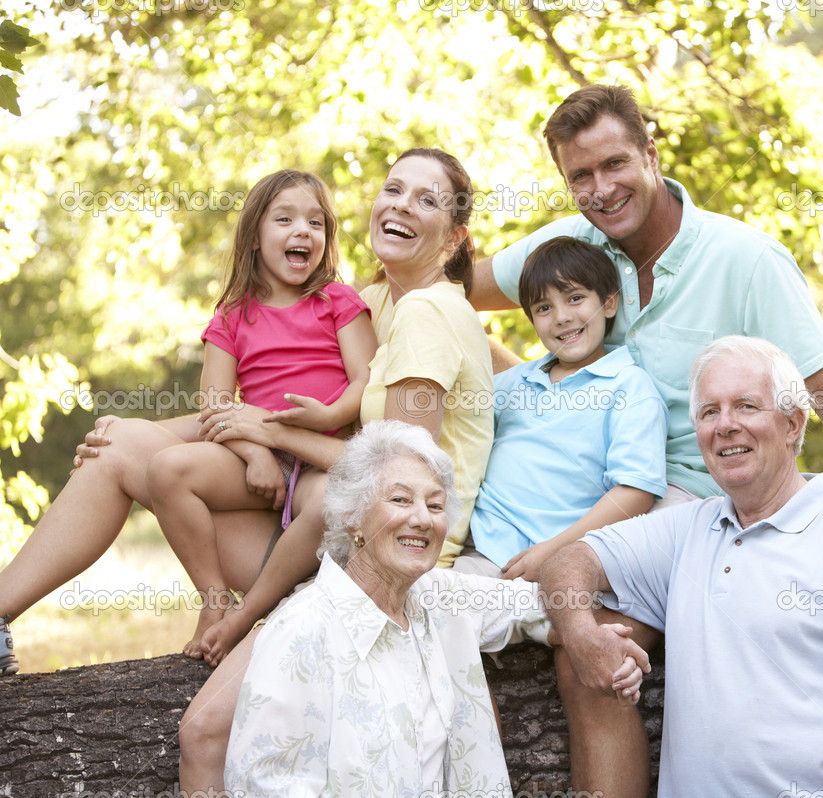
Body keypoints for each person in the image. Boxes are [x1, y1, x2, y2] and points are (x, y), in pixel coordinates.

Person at [468, 83, 823, 794]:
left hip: (687, 495)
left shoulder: (744, 259)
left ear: (650, 153)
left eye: (615, 165)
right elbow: (453, 287)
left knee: (593, 651)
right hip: (579, 487)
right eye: (579, 176)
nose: (600, 190)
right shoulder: (574, 249)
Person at [175, 147, 496, 795]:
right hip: (341, 547)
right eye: (393, 189)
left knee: (206, 733)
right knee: (155, 466)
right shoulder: (377, 301)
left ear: (455, 236)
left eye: (426, 200)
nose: (401, 205)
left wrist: (263, 430)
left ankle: (239, 615)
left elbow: (401, 482)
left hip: (389, 571)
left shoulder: (428, 312)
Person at [540, 336, 823, 798]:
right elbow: (568, 562)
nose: (724, 426)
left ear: (792, 425)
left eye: (746, 406)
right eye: (709, 412)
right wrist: (581, 634)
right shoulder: (687, 529)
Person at [224, 420, 645, 795]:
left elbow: (543, 603)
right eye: (401, 500)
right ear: (353, 516)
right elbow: (264, 786)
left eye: (436, 504)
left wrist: (585, 634)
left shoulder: (442, 596)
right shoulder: (301, 632)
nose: (423, 519)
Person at [144, 169, 377, 662]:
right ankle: (213, 600)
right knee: (167, 470)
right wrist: (256, 456)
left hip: (322, 457)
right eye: (285, 219)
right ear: (254, 236)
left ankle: (252, 611)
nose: (303, 231)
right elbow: (216, 406)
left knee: (326, 506)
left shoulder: (338, 301)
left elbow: (366, 379)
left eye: (316, 223)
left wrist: (328, 413)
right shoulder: (231, 317)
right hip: (262, 451)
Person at [454, 236, 668, 582]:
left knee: (448, 609)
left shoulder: (629, 388)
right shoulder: (514, 381)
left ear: (610, 303)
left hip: (552, 555)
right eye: (543, 308)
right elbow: (462, 430)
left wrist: (556, 549)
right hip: (479, 541)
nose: (562, 317)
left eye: (575, 298)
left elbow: (636, 491)